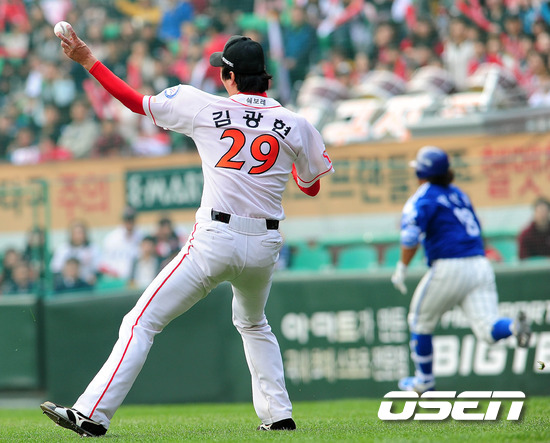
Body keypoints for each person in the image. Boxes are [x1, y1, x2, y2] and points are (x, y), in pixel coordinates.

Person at [41, 27, 333, 437]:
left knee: (140, 322)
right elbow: (311, 186)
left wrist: (88, 60)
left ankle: (91, 413)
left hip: (215, 239)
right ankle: (278, 415)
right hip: (264, 245)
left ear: (229, 76)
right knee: (253, 324)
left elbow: (135, 102)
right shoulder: (296, 123)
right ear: (265, 77)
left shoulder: (202, 106)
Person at [390, 146, 531, 394]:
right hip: (480, 264)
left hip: (450, 265)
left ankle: (424, 382)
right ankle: (513, 327)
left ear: (421, 173)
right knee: (488, 329)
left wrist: (402, 267)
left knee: (419, 322)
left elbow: (410, 237)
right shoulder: (459, 194)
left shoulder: (424, 196)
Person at [98, 207, 143, 281]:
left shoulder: (141, 236)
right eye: (127, 219)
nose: (129, 222)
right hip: (115, 280)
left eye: (132, 219)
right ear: (122, 220)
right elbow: (103, 264)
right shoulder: (111, 238)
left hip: (135, 281)